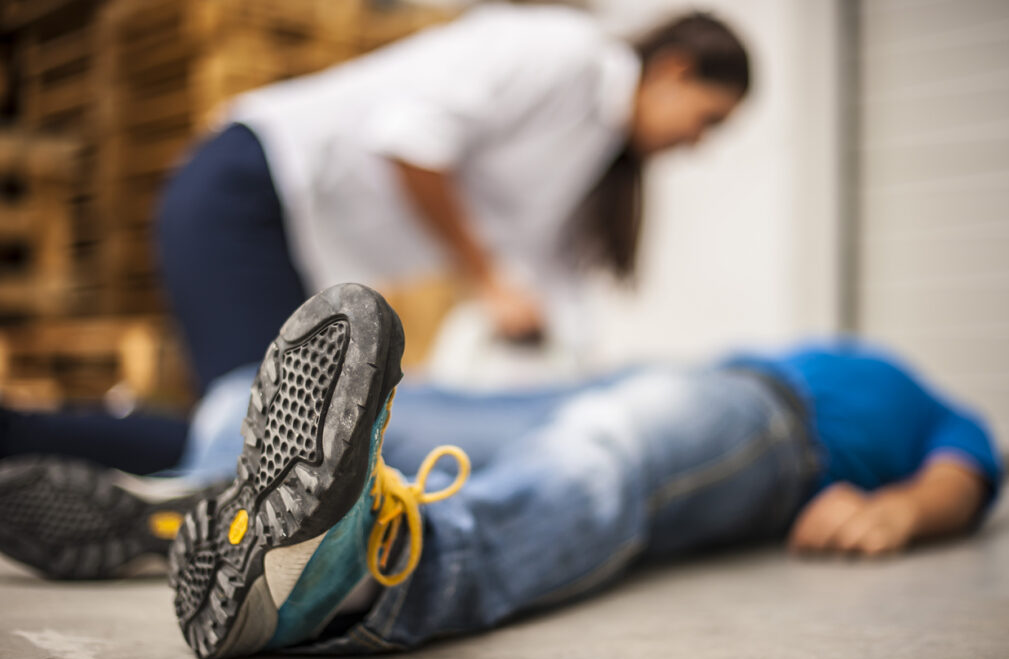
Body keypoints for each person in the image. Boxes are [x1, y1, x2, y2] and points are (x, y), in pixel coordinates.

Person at [0, 284, 1002, 659]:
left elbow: (969, 466)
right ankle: (214, 503)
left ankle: (369, 569)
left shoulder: (919, 399)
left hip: (767, 428)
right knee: (235, 395)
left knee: (606, 454)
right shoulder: (788, 344)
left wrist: (902, 508)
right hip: (658, 379)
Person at [0, 5, 751, 475]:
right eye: (708, 118)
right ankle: (21, 437)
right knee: (260, 447)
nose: (698, 143)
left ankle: (64, 445)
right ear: (675, 69)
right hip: (251, 184)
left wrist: (591, 393)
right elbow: (412, 141)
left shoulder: (591, 154)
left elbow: (549, 284)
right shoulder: (560, 53)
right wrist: (484, 274)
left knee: (259, 440)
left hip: (295, 237)